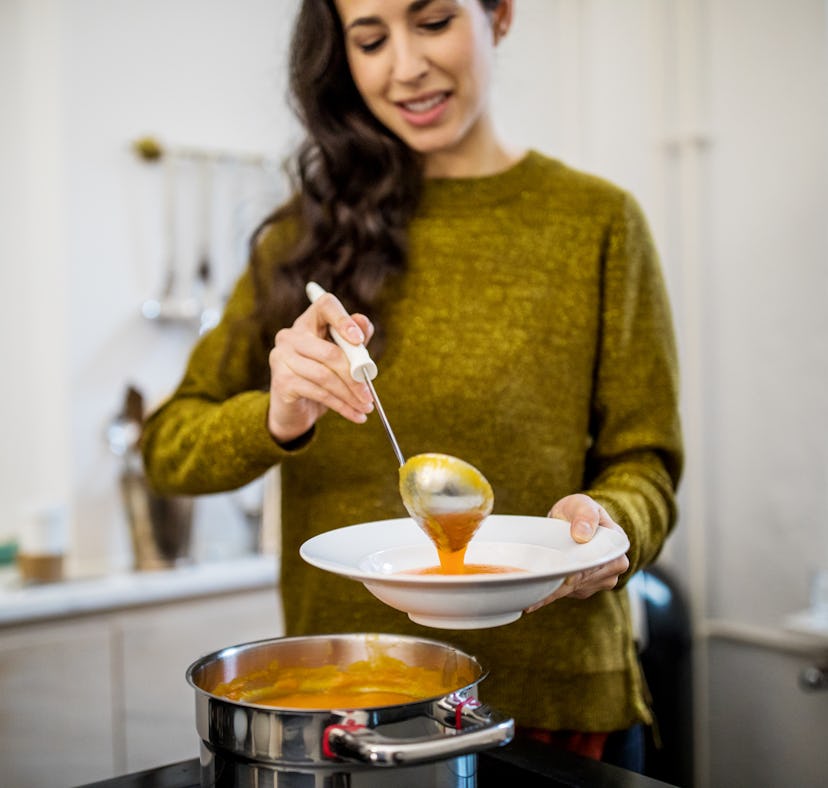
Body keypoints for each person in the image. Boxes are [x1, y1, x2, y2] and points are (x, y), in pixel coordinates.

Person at [141, 0, 683, 772]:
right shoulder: (303, 238)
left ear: (498, 16)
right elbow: (166, 450)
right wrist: (279, 414)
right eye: (370, 38)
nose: (404, 66)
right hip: (355, 712)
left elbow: (649, 464)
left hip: (559, 709)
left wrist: (611, 525)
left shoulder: (600, 223)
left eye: (432, 22)